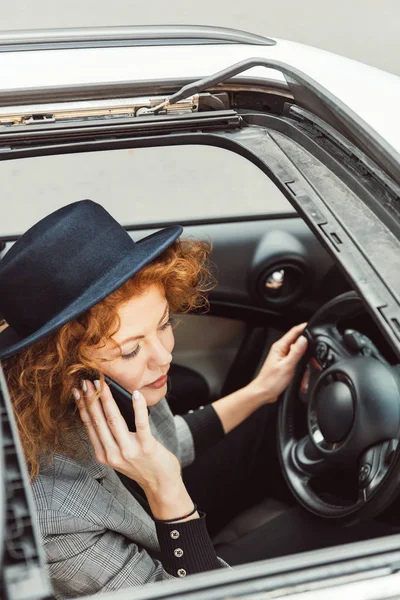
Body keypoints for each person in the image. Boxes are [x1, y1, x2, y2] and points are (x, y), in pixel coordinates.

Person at [0, 200, 393, 599]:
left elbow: (170, 441)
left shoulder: (114, 392)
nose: (164, 356)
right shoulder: (53, 521)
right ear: (59, 371)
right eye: (130, 350)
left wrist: (260, 390)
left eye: (164, 324)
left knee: (267, 418)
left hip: (159, 507)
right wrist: (167, 488)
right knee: (349, 533)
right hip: (181, 570)